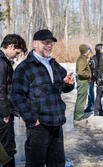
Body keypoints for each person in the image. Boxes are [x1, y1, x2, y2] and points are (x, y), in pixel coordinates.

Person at [11, 29, 75, 167]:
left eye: (51, 43)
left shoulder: (54, 65)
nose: (49, 46)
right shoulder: (25, 67)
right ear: (35, 43)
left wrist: (68, 83)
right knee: (35, 164)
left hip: (57, 124)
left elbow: (64, 87)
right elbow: (16, 96)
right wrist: (31, 119)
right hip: (39, 127)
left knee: (57, 164)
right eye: (45, 42)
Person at [0, 34, 27, 167]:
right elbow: (1, 89)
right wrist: (5, 113)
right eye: (16, 53)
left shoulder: (3, 61)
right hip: (3, 114)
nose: (16, 56)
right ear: (10, 46)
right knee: (7, 148)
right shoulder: (1, 62)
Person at [74, 44, 92, 121]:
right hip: (82, 81)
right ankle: (78, 117)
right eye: (88, 50)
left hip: (83, 81)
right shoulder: (82, 59)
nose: (89, 51)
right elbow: (80, 72)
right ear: (85, 51)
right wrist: (88, 75)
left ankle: (78, 115)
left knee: (81, 99)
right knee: (81, 99)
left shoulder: (83, 58)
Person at [93, 43, 103, 116]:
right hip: (102, 77)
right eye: (102, 48)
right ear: (100, 49)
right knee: (99, 94)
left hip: (97, 77)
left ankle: (99, 109)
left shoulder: (94, 57)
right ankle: (96, 110)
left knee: (99, 94)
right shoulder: (102, 57)